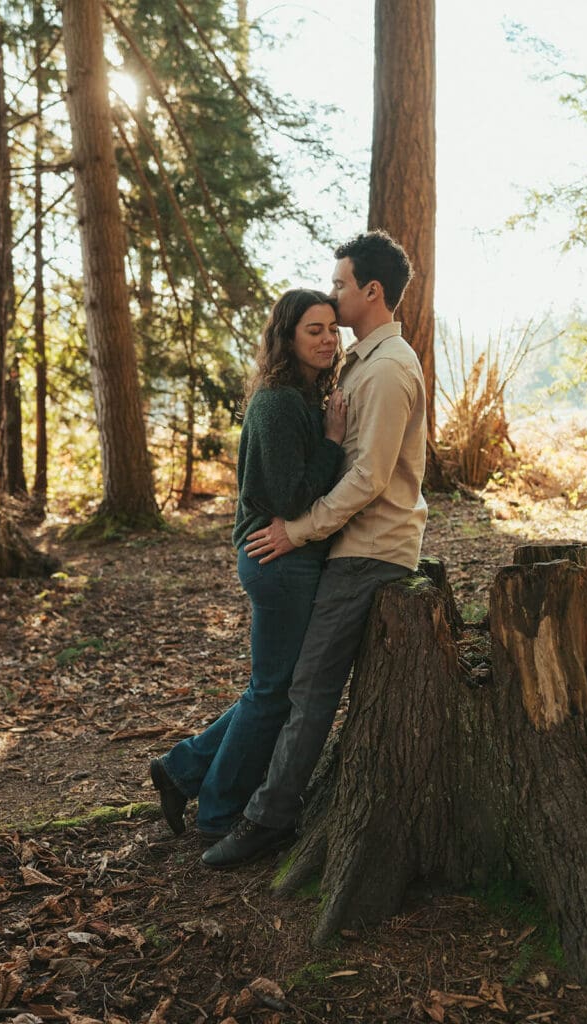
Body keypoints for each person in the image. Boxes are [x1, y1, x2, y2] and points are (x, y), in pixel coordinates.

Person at [202, 230, 428, 868]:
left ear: (370, 291)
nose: (333, 297)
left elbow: (367, 478)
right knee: (288, 684)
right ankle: (208, 780)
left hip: (369, 547)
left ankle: (267, 818)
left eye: (340, 286)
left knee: (306, 687)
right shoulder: (360, 362)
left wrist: (296, 531)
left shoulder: (385, 369)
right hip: (346, 544)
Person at [150, 289, 347, 840]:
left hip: (284, 560)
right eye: (314, 329)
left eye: (333, 328)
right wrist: (333, 441)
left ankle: (181, 770)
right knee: (273, 693)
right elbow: (289, 499)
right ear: (286, 336)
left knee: (271, 689)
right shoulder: (281, 401)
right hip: (277, 561)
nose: (328, 338)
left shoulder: (302, 395)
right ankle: (216, 814)